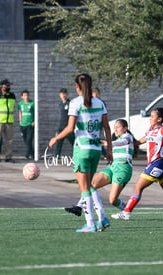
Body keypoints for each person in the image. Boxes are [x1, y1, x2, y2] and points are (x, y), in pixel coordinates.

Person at [49, 73, 113, 233]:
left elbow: (70, 128)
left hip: (82, 149)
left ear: (77, 86)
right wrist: (110, 149)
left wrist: (55, 138)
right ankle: (103, 217)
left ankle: (90, 223)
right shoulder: (100, 103)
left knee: (84, 188)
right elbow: (106, 127)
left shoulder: (75, 103)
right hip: (96, 149)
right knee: (91, 186)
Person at [65, 119, 136, 216]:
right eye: (114, 127)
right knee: (92, 184)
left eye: (118, 127)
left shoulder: (127, 136)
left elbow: (124, 142)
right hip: (112, 167)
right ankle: (79, 207)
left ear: (125, 128)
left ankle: (126, 209)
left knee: (112, 200)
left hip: (123, 169)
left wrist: (109, 143)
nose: (115, 129)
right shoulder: (117, 139)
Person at [0, 79, 16, 163]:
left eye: (9, 85)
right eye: (7, 85)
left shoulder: (12, 95)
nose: (9, 87)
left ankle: (8, 157)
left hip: (9, 121)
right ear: (2, 86)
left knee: (9, 140)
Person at [54, 88, 75, 158]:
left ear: (67, 94)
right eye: (61, 94)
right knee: (59, 141)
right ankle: (56, 156)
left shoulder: (70, 103)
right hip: (61, 126)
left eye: (64, 94)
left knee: (74, 142)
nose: (63, 95)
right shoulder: (60, 104)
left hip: (68, 127)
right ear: (60, 95)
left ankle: (77, 155)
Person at [18, 90, 35, 159]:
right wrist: (20, 121)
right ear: (22, 97)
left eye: (27, 95)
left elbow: (35, 112)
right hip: (23, 125)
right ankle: (33, 154)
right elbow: (20, 112)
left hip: (30, 124)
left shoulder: (32, 103)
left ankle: (27, 154)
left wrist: (34, 121)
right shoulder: (20, 104)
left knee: (29, 140)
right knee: (26, 141)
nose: (26, 97)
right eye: (24, 95)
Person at [92, 87, 108, 159]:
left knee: (97, 138)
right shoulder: (91, 102)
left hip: (99, 123)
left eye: (96, 95)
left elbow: (104, 114)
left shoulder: (101, 103)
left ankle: (104, 153)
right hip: (92, 123)